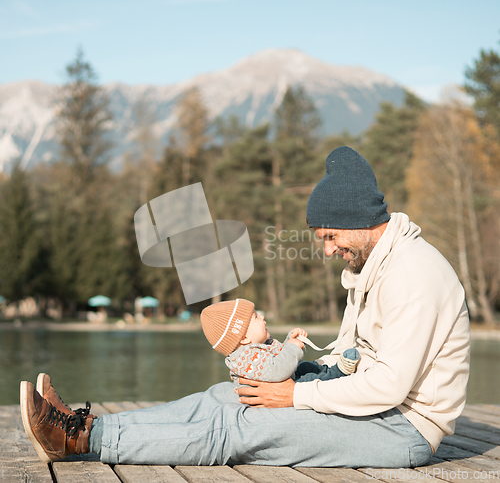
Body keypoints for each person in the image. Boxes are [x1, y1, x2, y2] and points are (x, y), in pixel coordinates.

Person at [20, 146, 470, 468]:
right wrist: (297, 371)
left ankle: (78, 441)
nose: (329, 251)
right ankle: (89, 424)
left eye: (331, 238)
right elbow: (352, 355)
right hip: (369, 404)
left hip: (401, 428)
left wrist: (292, 394)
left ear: (357, 221)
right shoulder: (374, 265)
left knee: (241, 428)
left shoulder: (413, 275)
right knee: (228, 396)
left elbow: (390, 387)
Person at [200, 298, 360, 384]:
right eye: (256, 317)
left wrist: (290, 340)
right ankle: (338, 373)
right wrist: (292, 348)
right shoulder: (245, 359)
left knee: (305, 366)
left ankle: (324, 369)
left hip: (283, 379)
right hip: (278, 387)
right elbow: (278, 371)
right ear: (244, 338)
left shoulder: (255, 347)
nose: (262, 317)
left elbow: (276, 357)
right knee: (307, 381)